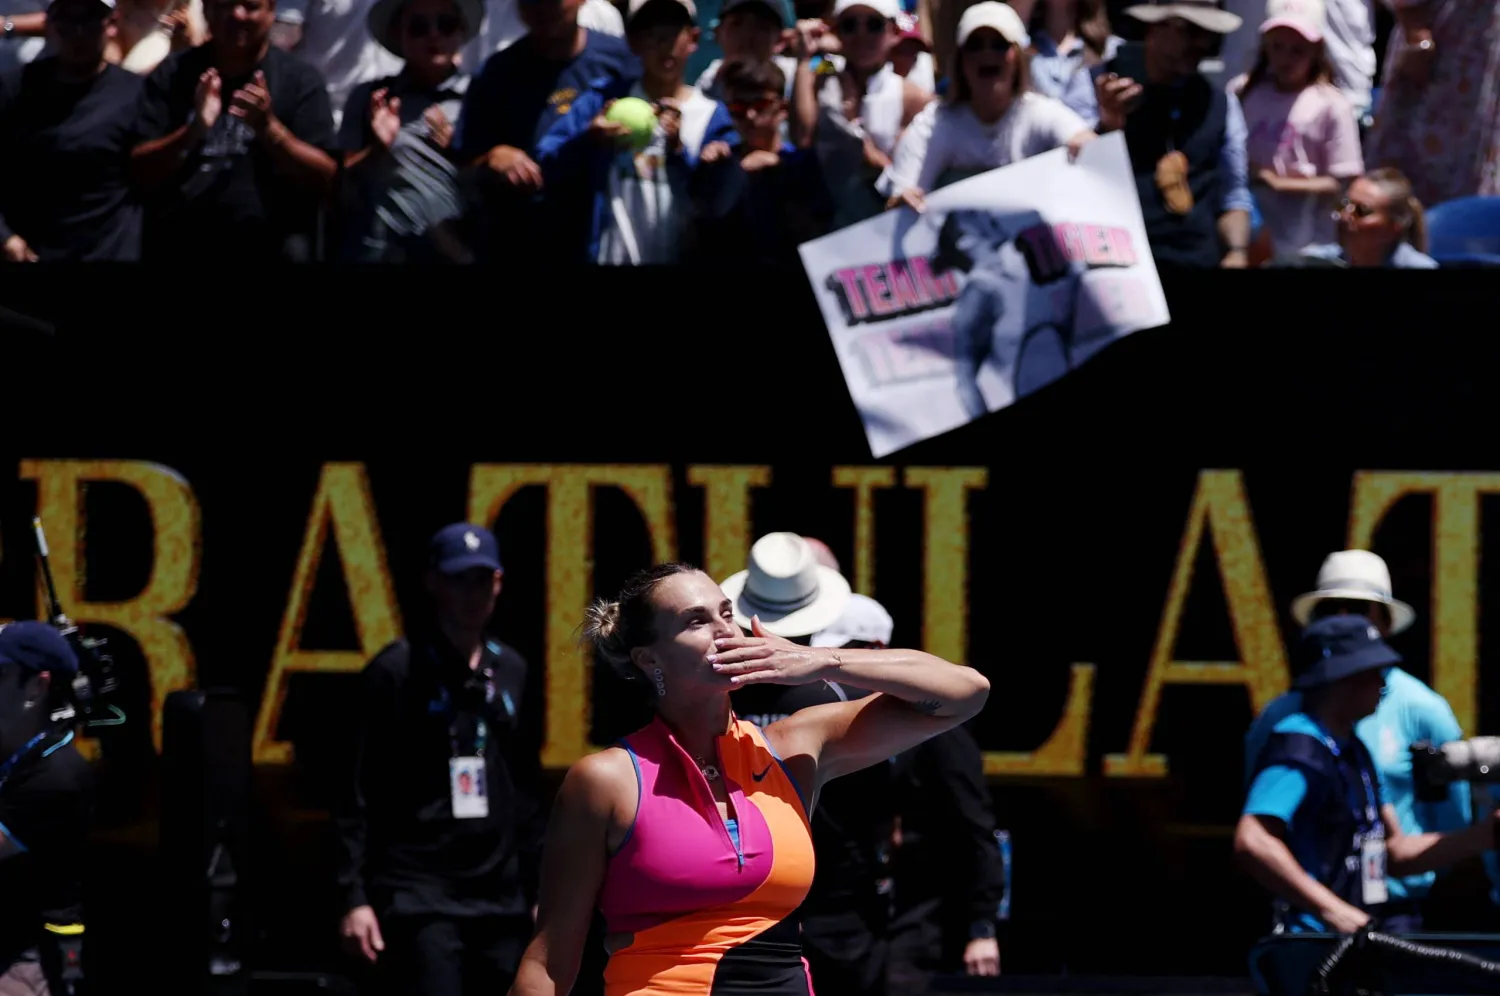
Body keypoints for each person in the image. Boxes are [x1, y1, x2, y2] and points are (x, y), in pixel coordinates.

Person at [507, 557, 991, 995]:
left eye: (725, 613)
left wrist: (823, 660)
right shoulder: (605, 779)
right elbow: (549, 964)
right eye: (696, 621)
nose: (724, 630)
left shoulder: (795, 744)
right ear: (648, 658)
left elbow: (966, 693)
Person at [335, 523, 543, 996]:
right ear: (433, 582)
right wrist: (353, 896)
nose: (472, 593)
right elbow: (354, 790)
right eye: (459, 579)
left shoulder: (511, 668)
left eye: (482, 579)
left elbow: (526, 788)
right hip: (421, 891)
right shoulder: (394, 671)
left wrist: (538, 890)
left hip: (500, 893)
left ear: (499, 583)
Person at [1244, 549, 1491, 931]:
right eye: (1369, 669)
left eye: (1359, 608)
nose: (1382, 681)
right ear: (1343, 676)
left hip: (1372, 924)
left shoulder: (1355, 749)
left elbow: (1393, 850)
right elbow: (1254, 839)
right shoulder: (1297, 743)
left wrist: (1485, 835)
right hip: (1313, 939)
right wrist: (1332, 910)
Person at [0, 0, 145, 263]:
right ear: (52, 26)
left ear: (112, 24)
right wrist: (4, 236)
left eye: (90, 20)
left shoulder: (136, 94)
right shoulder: (15, 89)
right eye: (67, 21)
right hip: (28, 262)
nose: (78, 32)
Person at [0, 623, 93, 996]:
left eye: (0, 674)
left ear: (36, 687)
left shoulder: (55, 776)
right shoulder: (19, 759)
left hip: (28, 965)